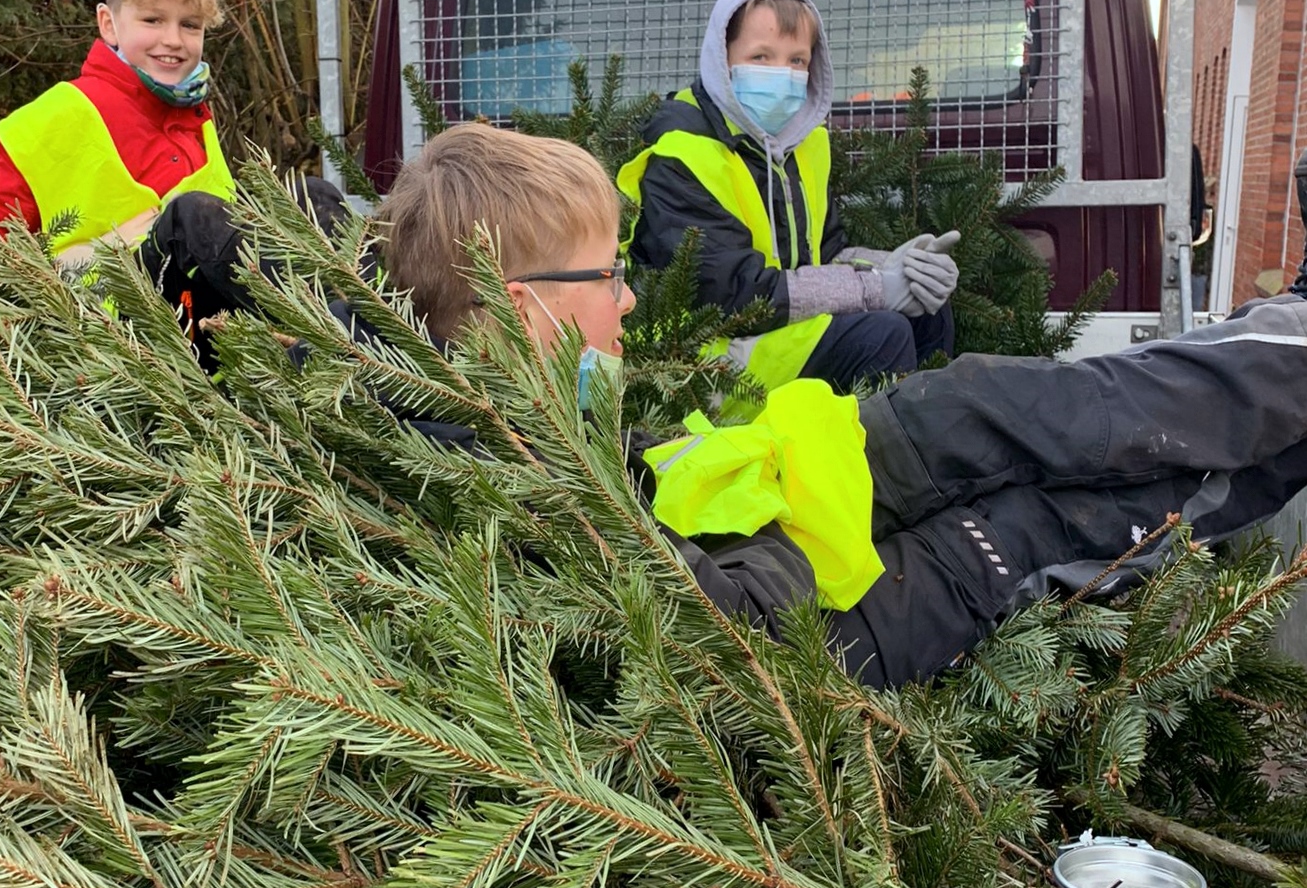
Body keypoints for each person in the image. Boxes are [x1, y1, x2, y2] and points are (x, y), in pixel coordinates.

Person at [373, 121, 1307, 689]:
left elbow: (651, 478)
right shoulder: (494, 481)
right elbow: (727, 636)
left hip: (803, 480)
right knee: (1044, 518)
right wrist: (785, 513)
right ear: (518, 301)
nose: (625, 299)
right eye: (608, 276)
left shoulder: (507, 410)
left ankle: (1288, 343)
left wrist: (759, 465)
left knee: (999, 398)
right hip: (850, 608)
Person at [0, 0, 345, 356]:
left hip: (210, 320)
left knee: (312, 197)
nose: (173, 39)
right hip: (115, 332)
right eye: (153, 20)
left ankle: (386, 345)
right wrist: (90, 257)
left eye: (189, 25)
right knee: (188, 217)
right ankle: (327, 339)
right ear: (109, 24)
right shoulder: (55, 115)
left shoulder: (194, 119)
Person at [617, 0, 961, 398]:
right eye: (761, 56)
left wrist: (898, 267)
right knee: (881, 334)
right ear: (720, 59)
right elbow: (736, 293)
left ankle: (930, 447)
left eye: (797, 61)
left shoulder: (805, 145)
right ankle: (871, 461)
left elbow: (826, 255)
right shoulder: (682, 154)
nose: (782, 74)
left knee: (928, 311)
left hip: (772, 330)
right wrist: (876, 288)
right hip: (704, 358)